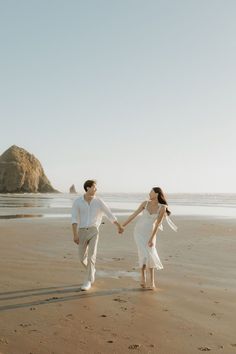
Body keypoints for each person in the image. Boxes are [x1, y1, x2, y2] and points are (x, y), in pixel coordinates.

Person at [71, 180, 123, 291]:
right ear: (88, 188)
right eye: (94, 187)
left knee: (91, 256)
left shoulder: (99, 201)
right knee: (81, 258)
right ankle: (92, 270)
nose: (96, 189)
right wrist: (75, 234)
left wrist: (118, 226)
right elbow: (74, 219)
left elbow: (109, 214)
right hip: (81, 231)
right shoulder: (77, 202)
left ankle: (88, 280)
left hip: (94, 231)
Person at [122, 187, 177, 290]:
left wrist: (152, 238)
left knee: (150, 255)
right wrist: (123, 226)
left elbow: (157, 224)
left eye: (151, 192)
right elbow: (134, 215)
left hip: (150, 234)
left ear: (156, 194)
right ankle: (143, 278)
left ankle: (152, 282)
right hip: (138, 232)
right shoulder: (145, 203)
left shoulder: (162, 207)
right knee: (143, 254)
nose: (149, 193)